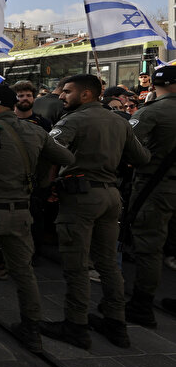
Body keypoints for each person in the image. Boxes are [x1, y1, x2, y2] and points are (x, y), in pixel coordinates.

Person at [0, 85, 74, 358]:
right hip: (20, 213)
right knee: (23, 273)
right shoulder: (35, 131)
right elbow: (66, 157)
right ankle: (31, 331)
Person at [40, 74, 150, 350]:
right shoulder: (118, 120)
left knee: (77, 264)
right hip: (110, 195)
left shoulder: (72, 120)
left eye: (67, 91)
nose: (61, 96)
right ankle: (116, 322)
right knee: (108, 263)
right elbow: (142, 158)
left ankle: (75, 325)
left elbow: (49, 150)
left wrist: (60, 173)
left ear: (86, 94)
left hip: (80, 197)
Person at [125, 65, 176, 328]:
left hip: (158, 186)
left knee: (150, 245)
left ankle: (141, 306)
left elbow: (128, 145)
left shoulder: (153, 111)